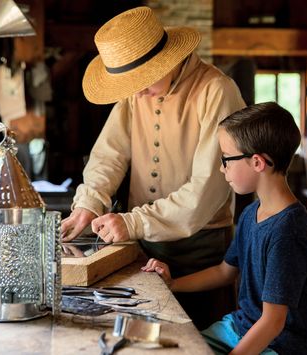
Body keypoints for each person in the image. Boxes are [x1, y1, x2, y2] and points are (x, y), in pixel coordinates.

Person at [61, 6, 245, 329]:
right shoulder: (136, 93)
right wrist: (89, 203)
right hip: (143, 250)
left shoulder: (217, 91)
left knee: (198, 340)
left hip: (200, 252)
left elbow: (205, 191)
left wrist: (132, 222)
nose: (138, 91)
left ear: (167, 60)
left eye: (143, 80)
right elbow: (110, 153)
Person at [142, 102, 307, 354]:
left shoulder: (287, 231)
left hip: (285, 345)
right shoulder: (252, 213)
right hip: (241, 328)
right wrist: (172, 284)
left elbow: (273, 322)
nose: (222, 168)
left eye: (226, 159)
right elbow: (224, 272)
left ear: (257, 162)